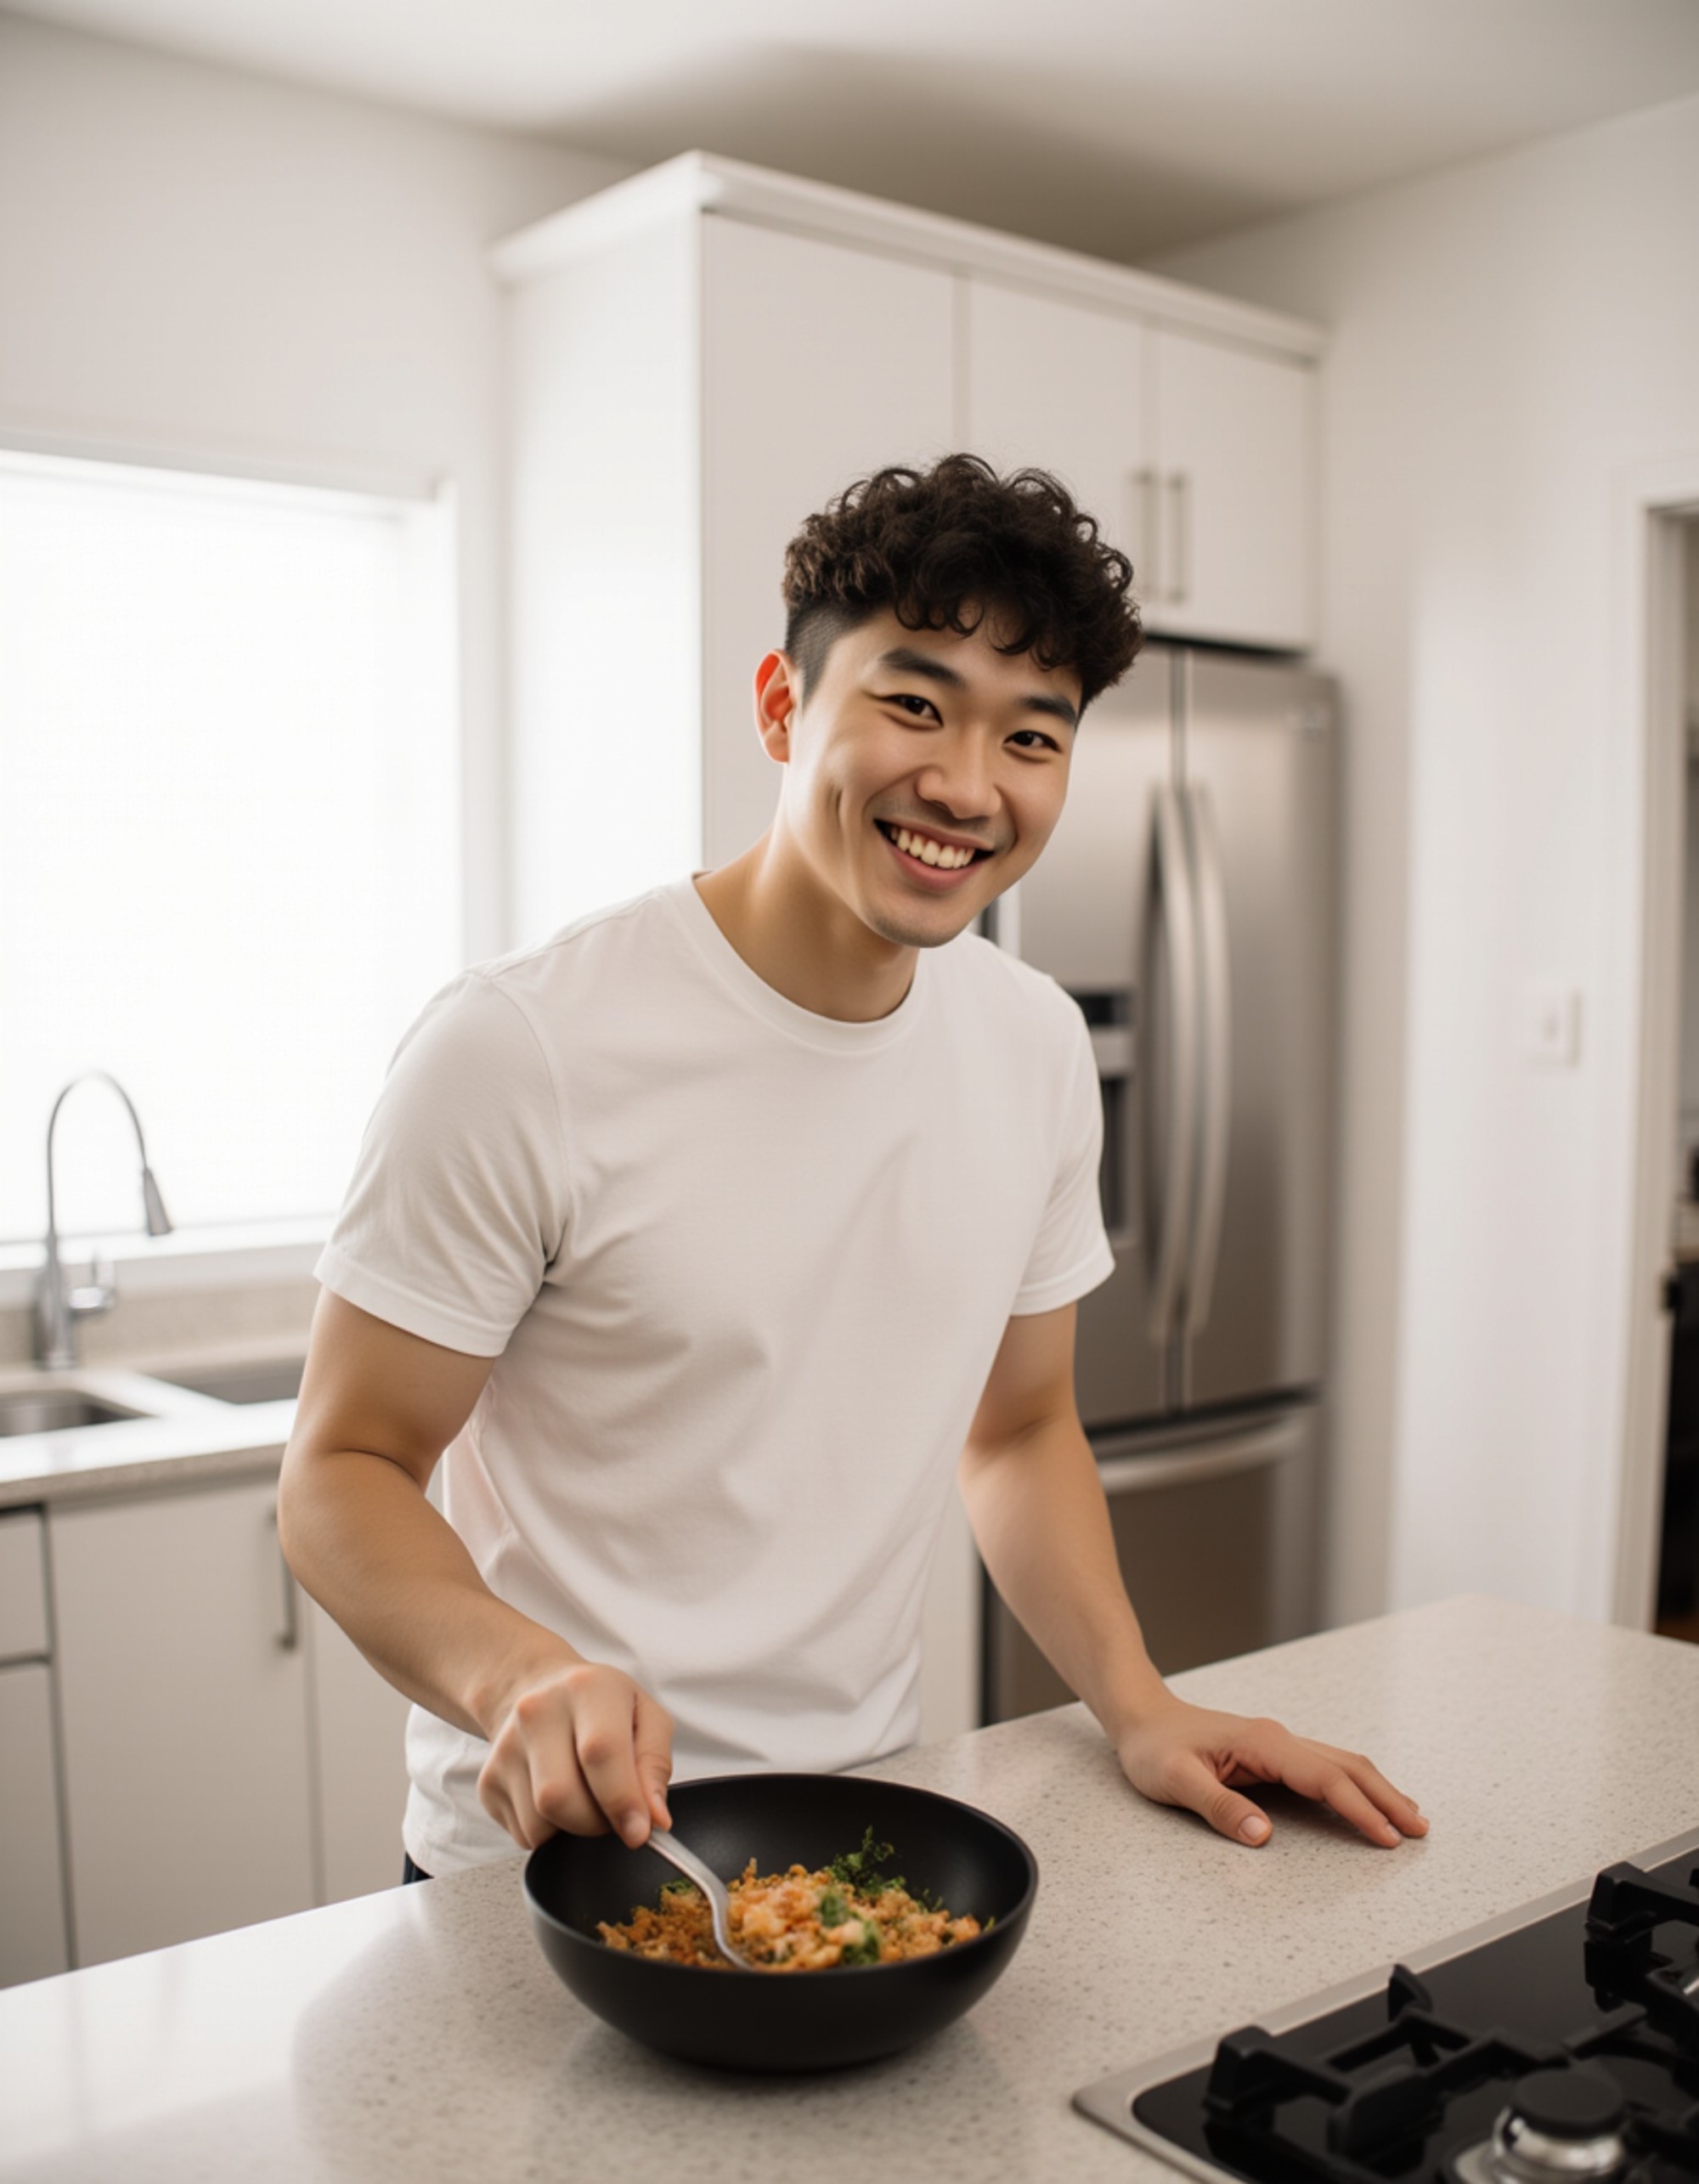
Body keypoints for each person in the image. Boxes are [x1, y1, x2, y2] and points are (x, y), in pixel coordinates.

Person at [278, 454, 1425, 1881]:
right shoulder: (523, 1048)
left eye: (1032, 739)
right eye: (914, 704)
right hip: (545, 1859)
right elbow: (342, 1469)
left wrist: (1137, 1707)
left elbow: (1016, 1431)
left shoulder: (1034, 1047)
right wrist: (516, 1676)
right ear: (782, 704)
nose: (965, 786)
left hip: (865, 1831)